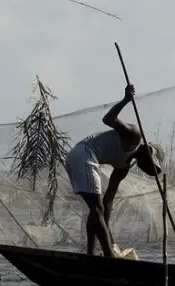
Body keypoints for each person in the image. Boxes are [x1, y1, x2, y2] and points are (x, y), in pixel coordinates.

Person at [64, 84, 165, 258]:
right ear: (147, 151)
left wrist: (107, 230)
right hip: (84, 154)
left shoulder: (124, 167)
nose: (148, 168)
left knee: (97, 209)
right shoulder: (134, 136)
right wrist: (125, 100)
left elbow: (109, 199)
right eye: (150, 164)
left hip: (83, 159)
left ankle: (91, 253)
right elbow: (108, 119)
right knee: (97, 209)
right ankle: (109, 255)